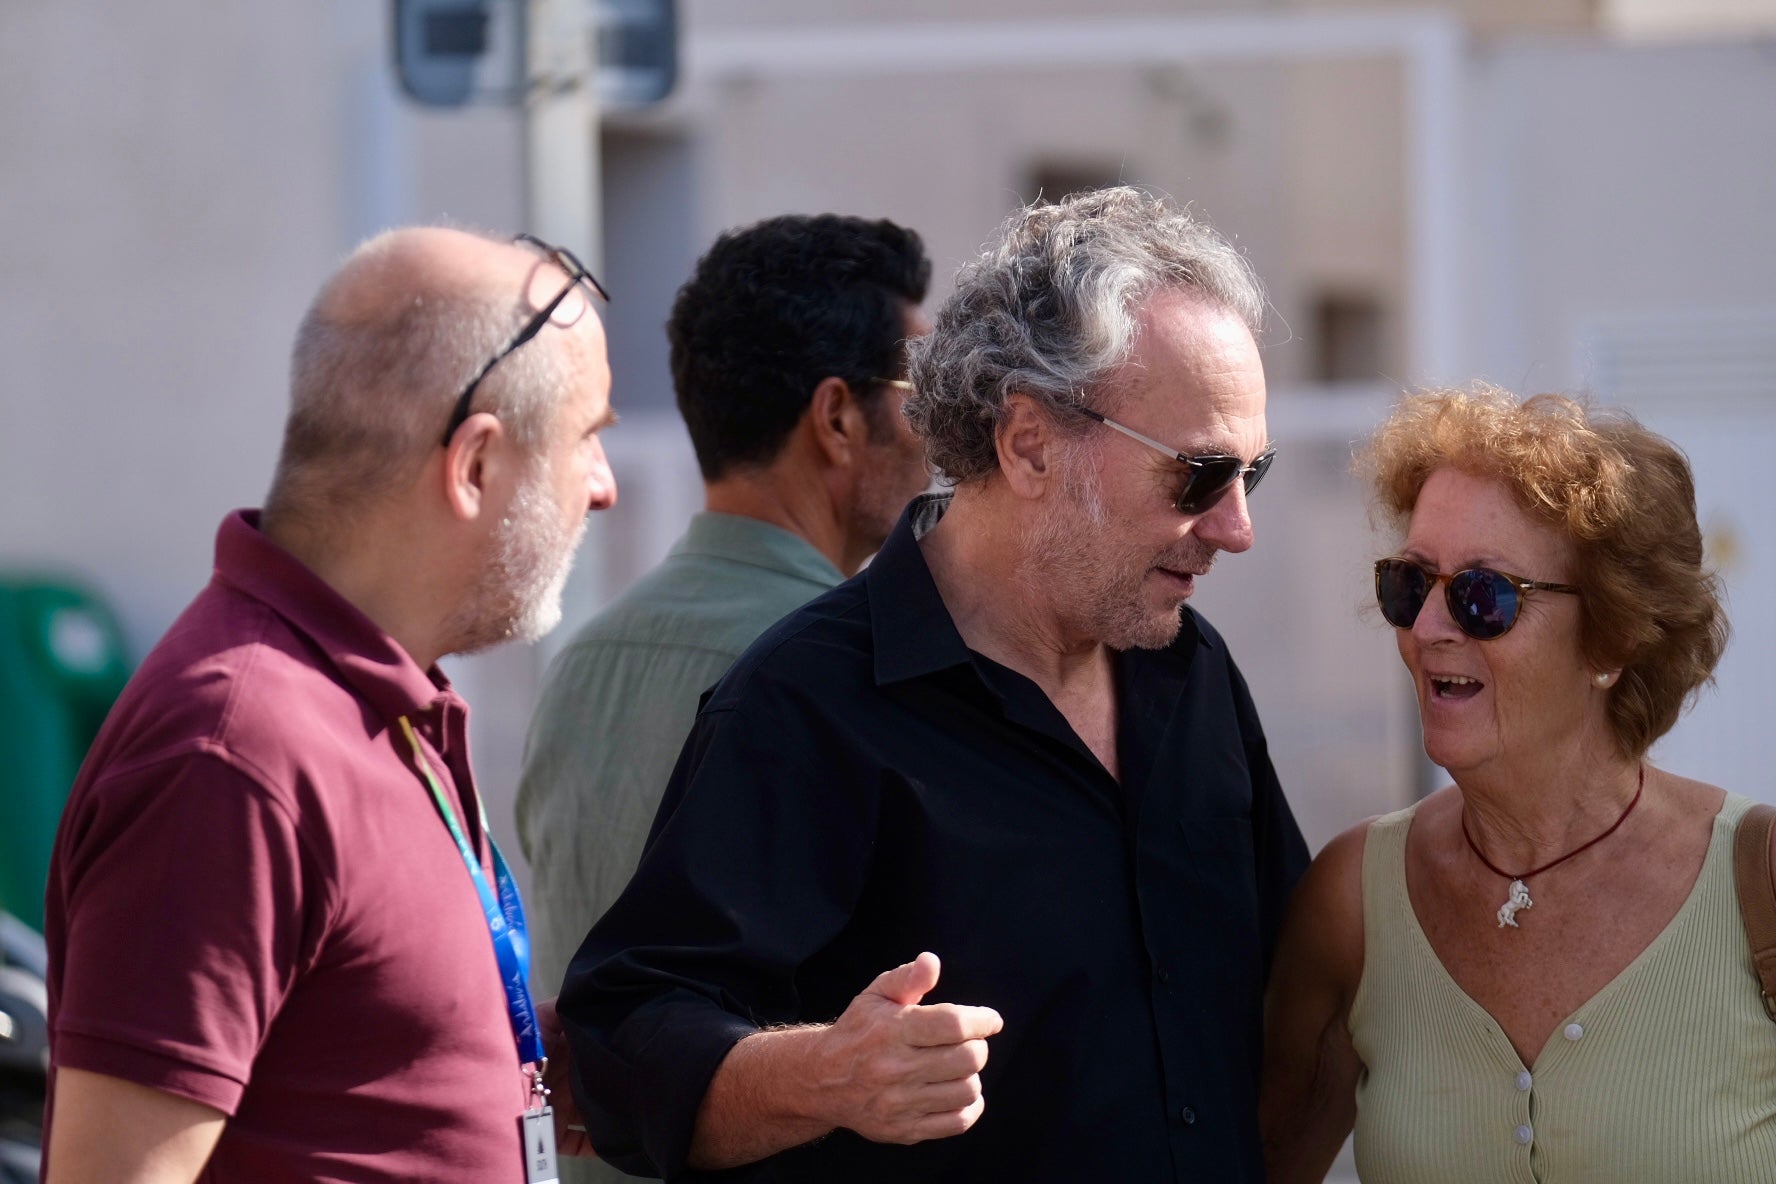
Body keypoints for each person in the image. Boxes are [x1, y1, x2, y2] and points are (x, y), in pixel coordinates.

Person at [559, 186, 1309, 1183]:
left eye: (1250, 477)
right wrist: (825, 1073)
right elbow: (622, 1043)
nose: (1234, 527)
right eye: (1199, 475)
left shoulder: (1190, 672)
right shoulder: (809, 702)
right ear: (1030, 441)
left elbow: (1295, 983)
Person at [41, 227, 619, 1183]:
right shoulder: (231, 753)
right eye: (586, 436)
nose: (601, 487)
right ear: (474, 466)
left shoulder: (380, 699)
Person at [1260, 387, 1776, 1183]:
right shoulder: (1353, 903)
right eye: (1411, 583)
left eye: (1483, 596)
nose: (1430, 628)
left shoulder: (1757, 884)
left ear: (1613, 635)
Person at [515, 213, 932, 1056]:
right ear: (838, 419)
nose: (944, 431)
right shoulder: (870, 670)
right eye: (920, 391)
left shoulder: (582, 666)